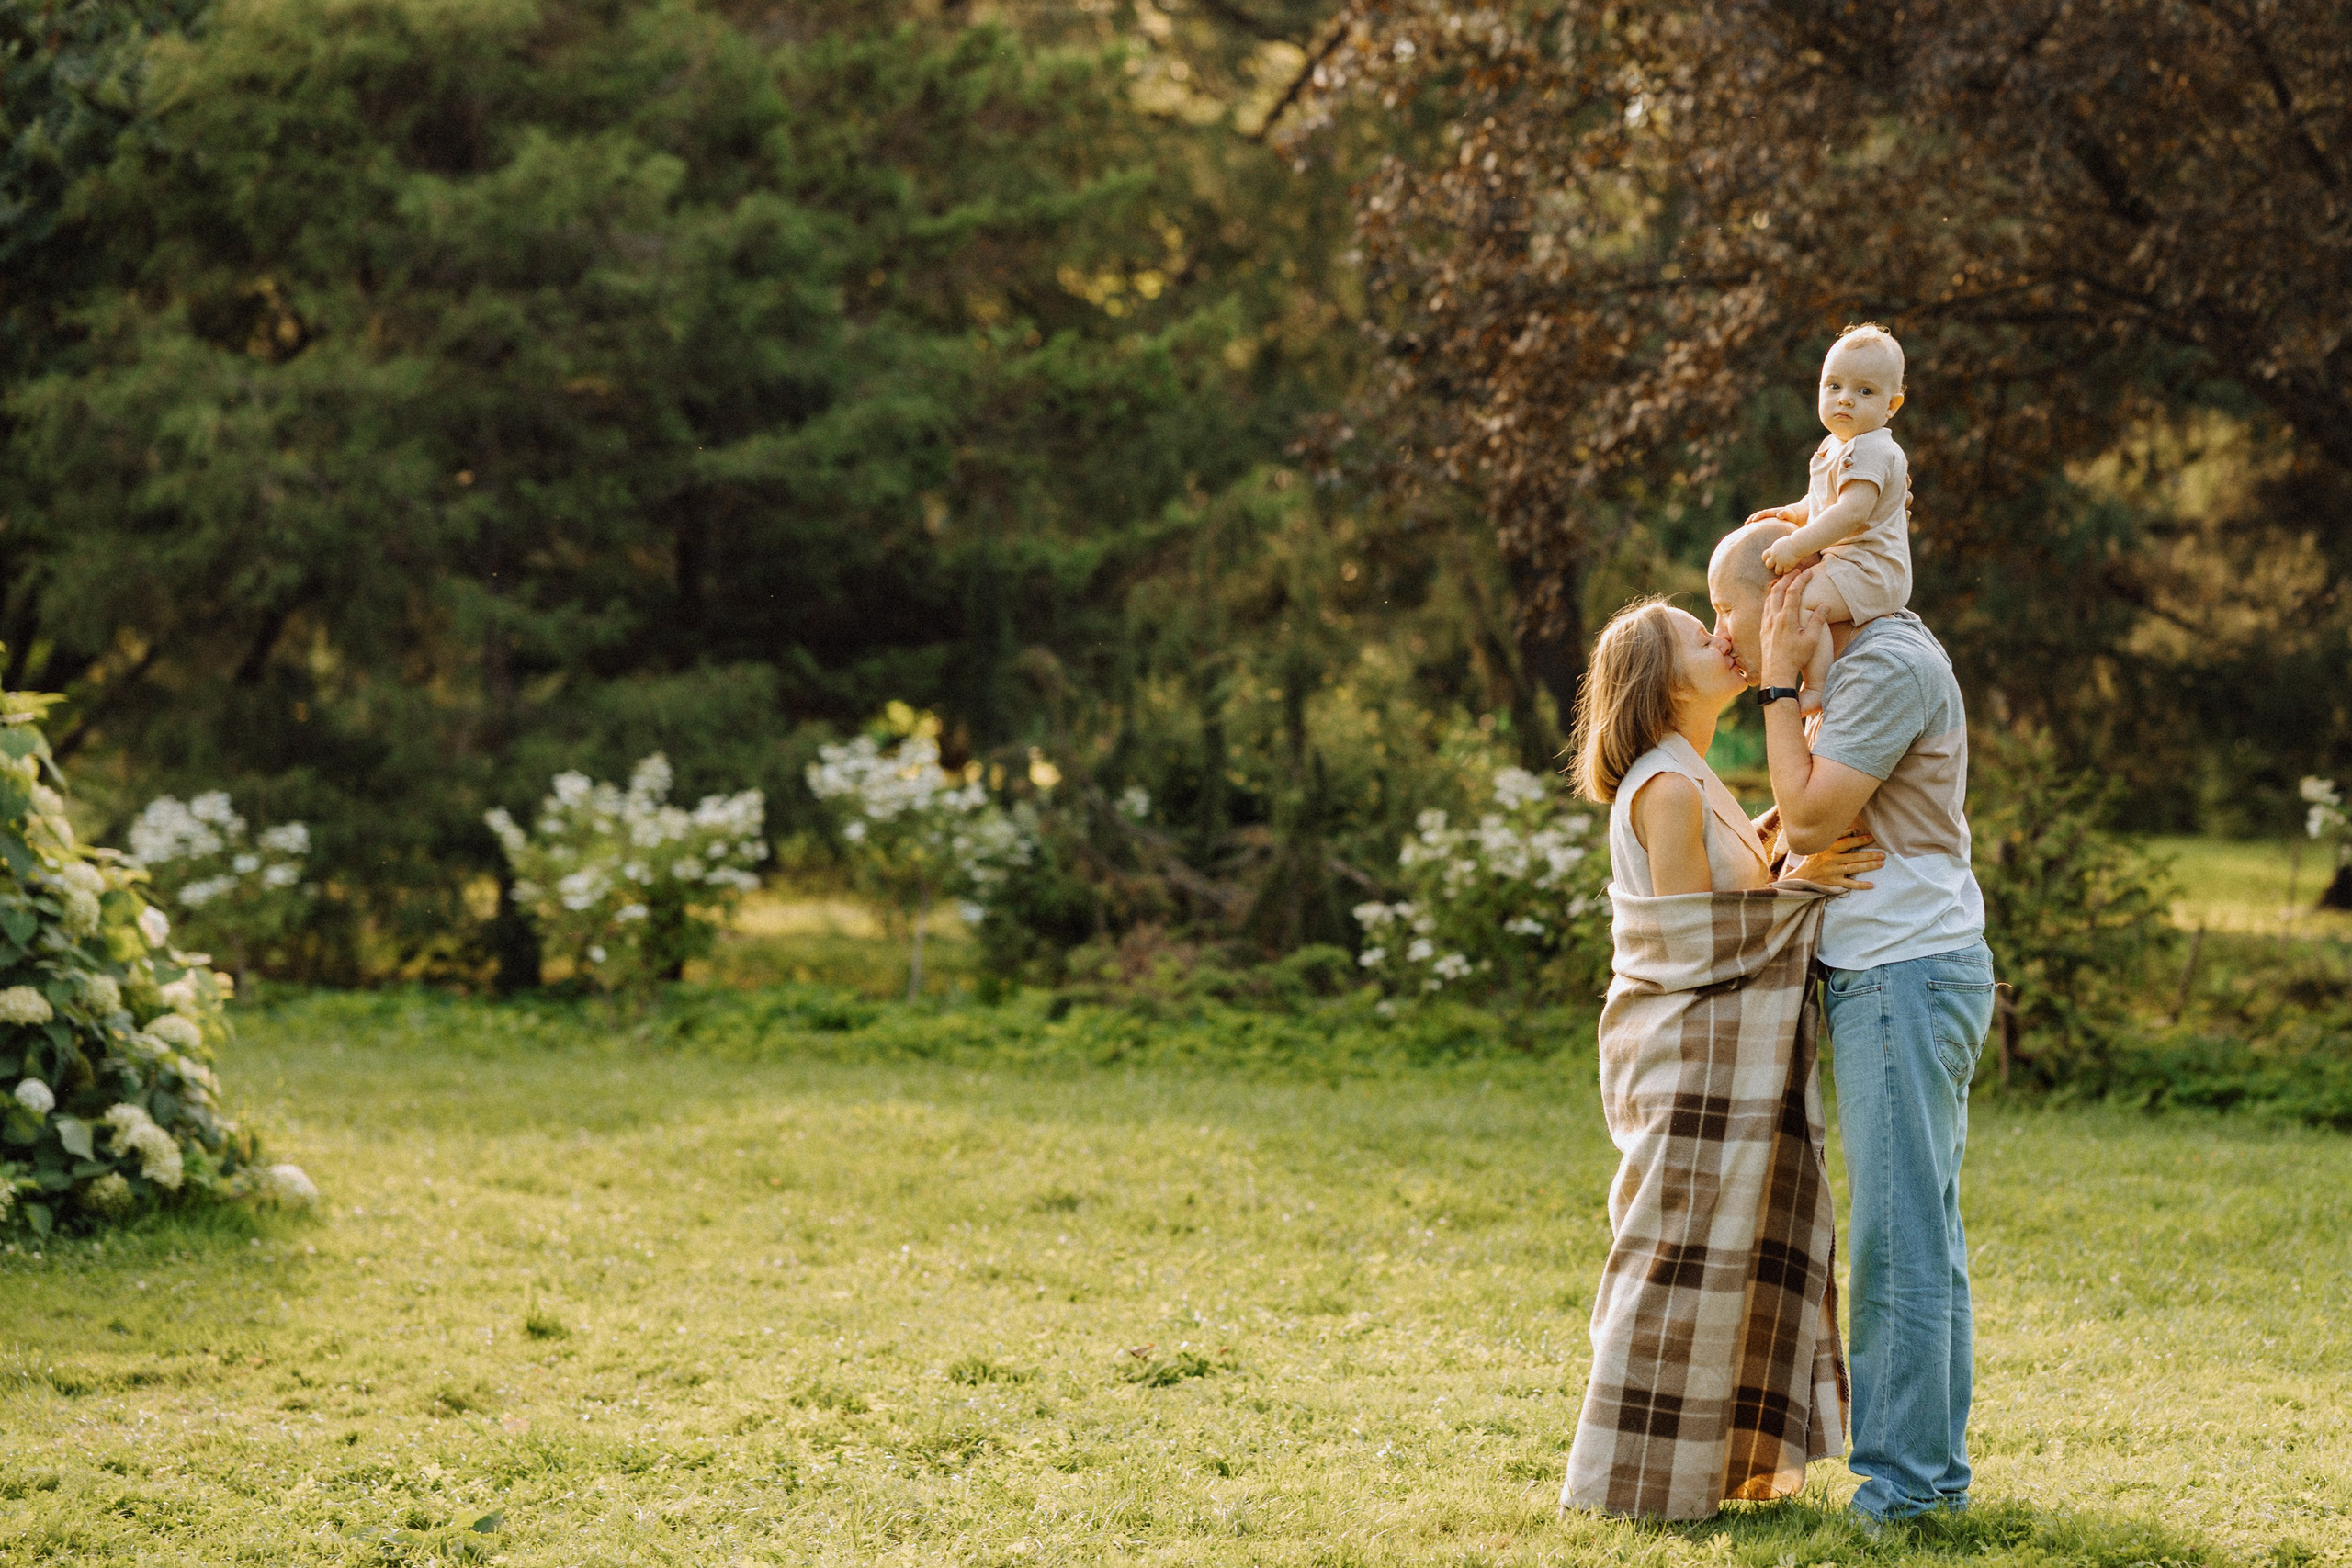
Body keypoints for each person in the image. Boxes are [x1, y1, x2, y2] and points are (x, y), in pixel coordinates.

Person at [1558, 596, 1881, 1520]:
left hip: (1715, 1066)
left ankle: (1713, 1467)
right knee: (1674, 1259)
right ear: (1662, 680)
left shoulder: (1695, 774)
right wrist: (1797, 893)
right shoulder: (1663, 786)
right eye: (1702, 637)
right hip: (1682, 1063)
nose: (1722, 636)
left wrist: (1790, 865)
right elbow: (1691, 943)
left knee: (1725, 1258)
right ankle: (1629, 1480)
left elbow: (1729, 899)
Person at [1706, 520, 1997, 1525]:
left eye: (1727, 608)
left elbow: (1817, 815)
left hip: (1903, 977)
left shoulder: (1878, 668)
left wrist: (1781, 691)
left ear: (1790, 593)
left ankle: (1905, 1493)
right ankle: (1932, 1480)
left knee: (1898, 1240)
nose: (1723, 633)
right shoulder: (1856, 673)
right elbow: (1792, 831)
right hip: (1894, 976)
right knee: (1919, 1230)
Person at [1750, 323, 1913, 716]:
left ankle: (1818, 685)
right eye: (1834, 386)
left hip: (1872, 569)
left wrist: (1797, 542)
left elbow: (1852, 513)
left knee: (1801, 602)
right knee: (1799, 593)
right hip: (1849, 563)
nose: (1845, 400)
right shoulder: (1835, 445)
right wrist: (1794, 512)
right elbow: (1824, 500)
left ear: (1891, 406)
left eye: (1865, 391)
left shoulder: (1873, 449)